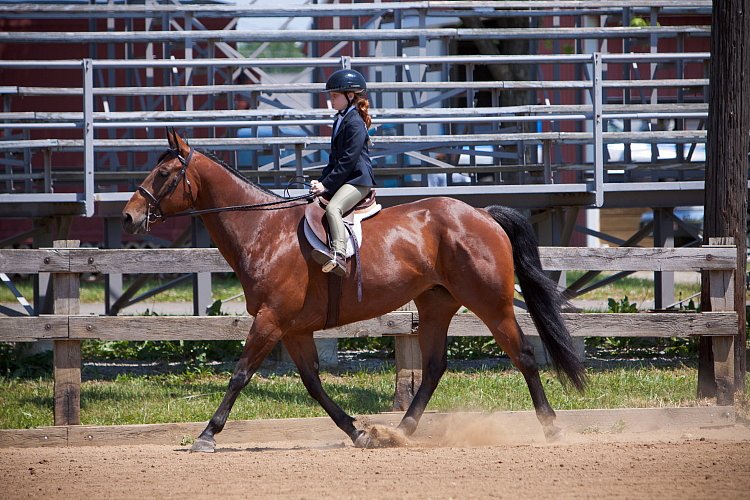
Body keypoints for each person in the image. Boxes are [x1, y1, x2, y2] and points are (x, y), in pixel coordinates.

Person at [309, 68, 376, 277]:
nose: (332, 100)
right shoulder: (340, 119)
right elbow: (334, 160)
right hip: (346, 178)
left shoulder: (354, 122)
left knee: (334, 209)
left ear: (350, 96)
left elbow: (348, 160)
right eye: (331, 96)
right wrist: (320, 182)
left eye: (335, 96)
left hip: (358, 180)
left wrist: (327, 185)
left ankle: (338, 255)